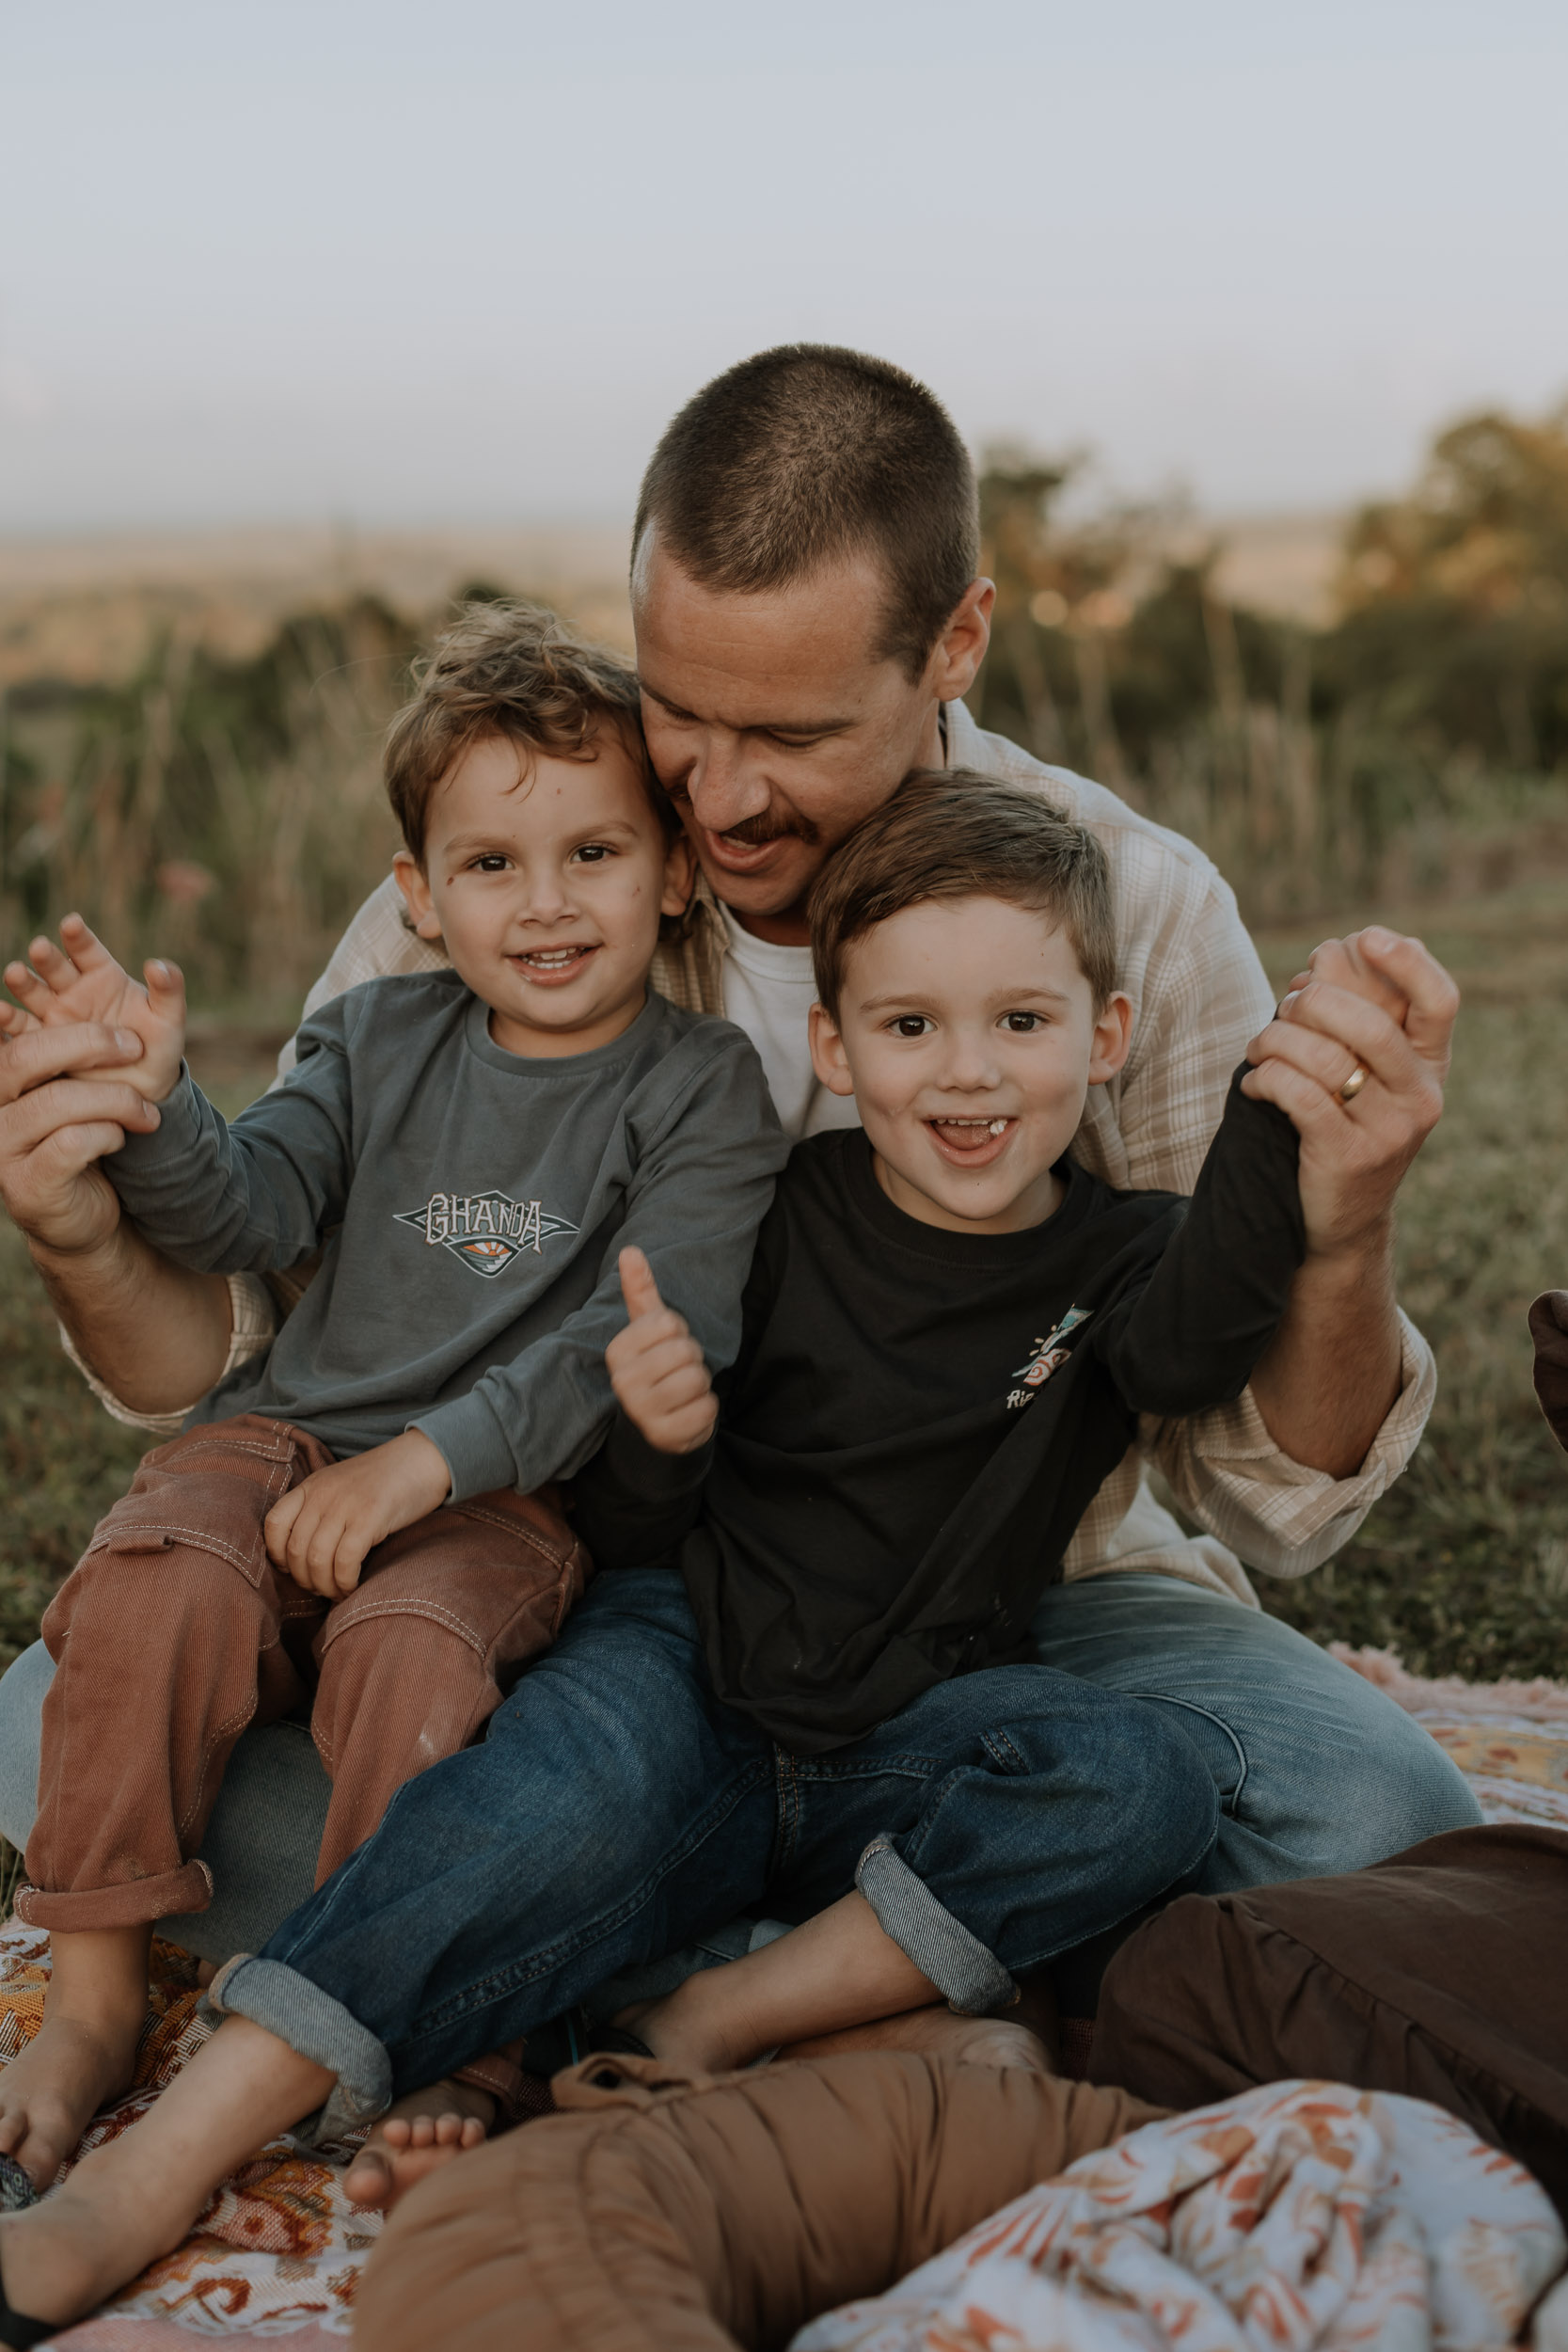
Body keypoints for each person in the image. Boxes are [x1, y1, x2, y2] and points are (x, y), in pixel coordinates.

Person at [0, 349, 1476, 1955]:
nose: (717, 793)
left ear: (957, 644)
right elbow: (245, 1346)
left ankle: (581, 1931)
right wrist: (88, 1237)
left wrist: (1342, 1232)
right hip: (544, 1558)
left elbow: (1262, 1493)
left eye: (790, 731)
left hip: (999, 1592)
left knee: (1370, 1815)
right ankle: (860, 1940)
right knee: (52, 1716)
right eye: (679, 708)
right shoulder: (526, 876)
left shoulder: (1138, 909)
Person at [0, 772, 1323, 2328]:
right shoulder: (780, 1208)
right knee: (531, 1805)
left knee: (1147, 1772)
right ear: (834, 1048)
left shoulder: (1120, 1259)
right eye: (909, 1030)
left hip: (907, 1723)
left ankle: (703, 2013)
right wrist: (662, 1427)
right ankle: (147, 2177)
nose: (967, 1075)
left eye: (1022, 1025)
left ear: (1104, 1041)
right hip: (679, 1658)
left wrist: (1276, 1105)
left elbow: (1191, 1354)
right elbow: (629, 1522)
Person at [0, 604, 784, 2199]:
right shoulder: (373, 1037)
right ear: (418, 897)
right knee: (155, 1585)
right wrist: (154, 1116)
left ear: (675, 869)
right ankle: (91, 1998)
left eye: (596, 853)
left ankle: (420, 2023)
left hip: (502, 1493)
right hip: (288, 1434)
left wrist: (427, 1466)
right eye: (492, 864)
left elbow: (630, 1337)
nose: (547, 902)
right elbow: (250, 1215)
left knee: (415, 1654)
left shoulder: (701, 1089)